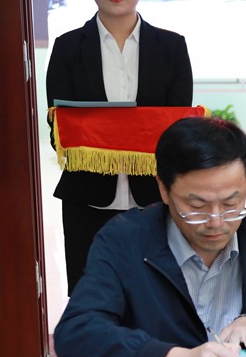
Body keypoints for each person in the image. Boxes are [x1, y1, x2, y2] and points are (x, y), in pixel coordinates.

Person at [54, 117, 246, 357]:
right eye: (197, 206)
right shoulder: (125, 240)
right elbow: (77, 331)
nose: (216, 222)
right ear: (164, 189)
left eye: (231, 203)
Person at [46, 0, 193, 294]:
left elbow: (176, 128)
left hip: (156, 199)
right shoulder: (68, 46)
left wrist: (109, 136)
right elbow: (60, 130)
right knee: (93, 295)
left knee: (157, 295)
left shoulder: (172, 46)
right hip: (86, 198)